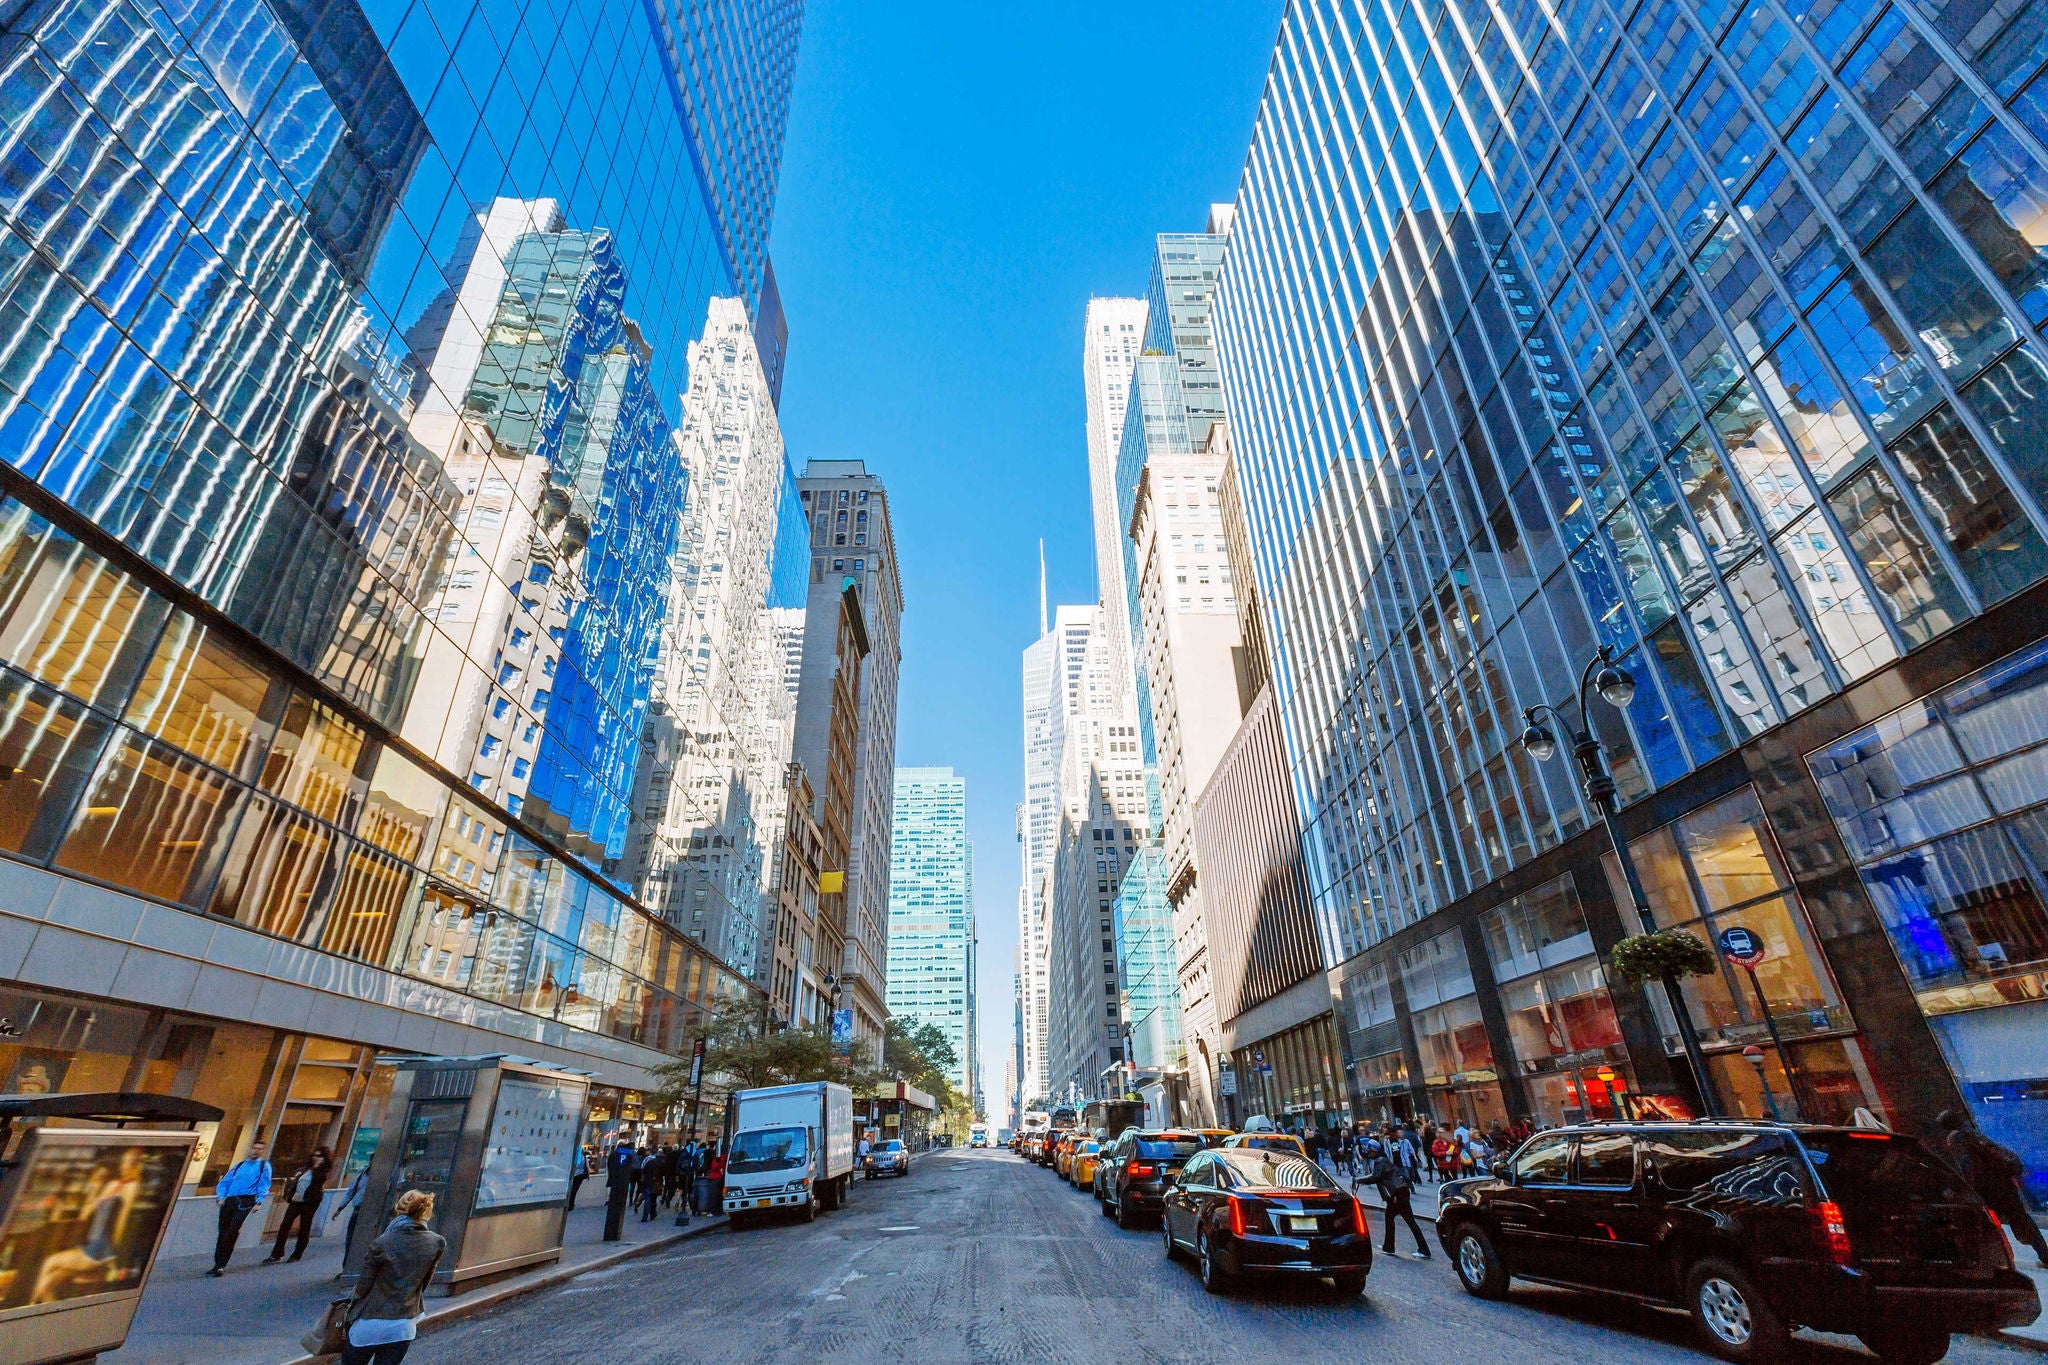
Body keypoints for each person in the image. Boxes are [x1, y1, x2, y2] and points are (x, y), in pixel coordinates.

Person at [340, 1188, 446, 1365]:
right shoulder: (436, 1242)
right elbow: (424, 1283)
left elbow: (363, 1287)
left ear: (399, 1208)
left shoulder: (382, 1242)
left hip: (369, 1322)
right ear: (426, 1211)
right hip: (403, 1324)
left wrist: (347, 1316)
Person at [1939, 1110, 2048, 1267]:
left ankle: (1984, 1260)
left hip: (1987, 1190)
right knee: (2022, 1220)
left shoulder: (1956, 1137)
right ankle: (2045, 1255)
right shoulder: (1972, 1132)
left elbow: (1966, 1167)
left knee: (1980, 1224)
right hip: (2004, 1186)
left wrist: (1961, 1190)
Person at [208, 1140, 272, 1277]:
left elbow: (264, 1184)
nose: (256, 1151)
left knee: (232, 1231)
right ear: (250, 1149)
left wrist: (259, 1202)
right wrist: (221, 1196)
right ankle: (217, 1263)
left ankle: (221, 1265)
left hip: (246, 1200)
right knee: (223, 1231)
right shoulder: (240, 1165)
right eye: (255, 1148)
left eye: (260, 1149)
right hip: (231, 1199)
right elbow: (225, 1181)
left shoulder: (263, 1166)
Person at [266, 1145, 334, 1264]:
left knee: (304, 1227)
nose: (315, 1158)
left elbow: (319, 1181)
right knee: (284, 1225)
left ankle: (297, 1254)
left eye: (318, 1156)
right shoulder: (305, 1169)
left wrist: (317, 1167)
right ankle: (277, 1253)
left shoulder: (323, 1171)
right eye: (314, 1155)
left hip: (310, 1203)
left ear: (324, 1158)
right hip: (296, 1200)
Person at [1376, 1128, 1430, 1259]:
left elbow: (1376, 1178)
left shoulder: (1383, 1162)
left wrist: (1393, 1196)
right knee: (1390, 1217)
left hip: (1399, 1194)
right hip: (1400, 1193)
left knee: (1409, 1221)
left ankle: (1423, 1249)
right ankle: (1388, 1246)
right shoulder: (1386, 1156)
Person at [603, 1140, 635, 1242]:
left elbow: (610, 1166)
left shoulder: (614, 1155)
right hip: (621, 1183)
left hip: (616, 1182)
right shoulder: (628, 1155)